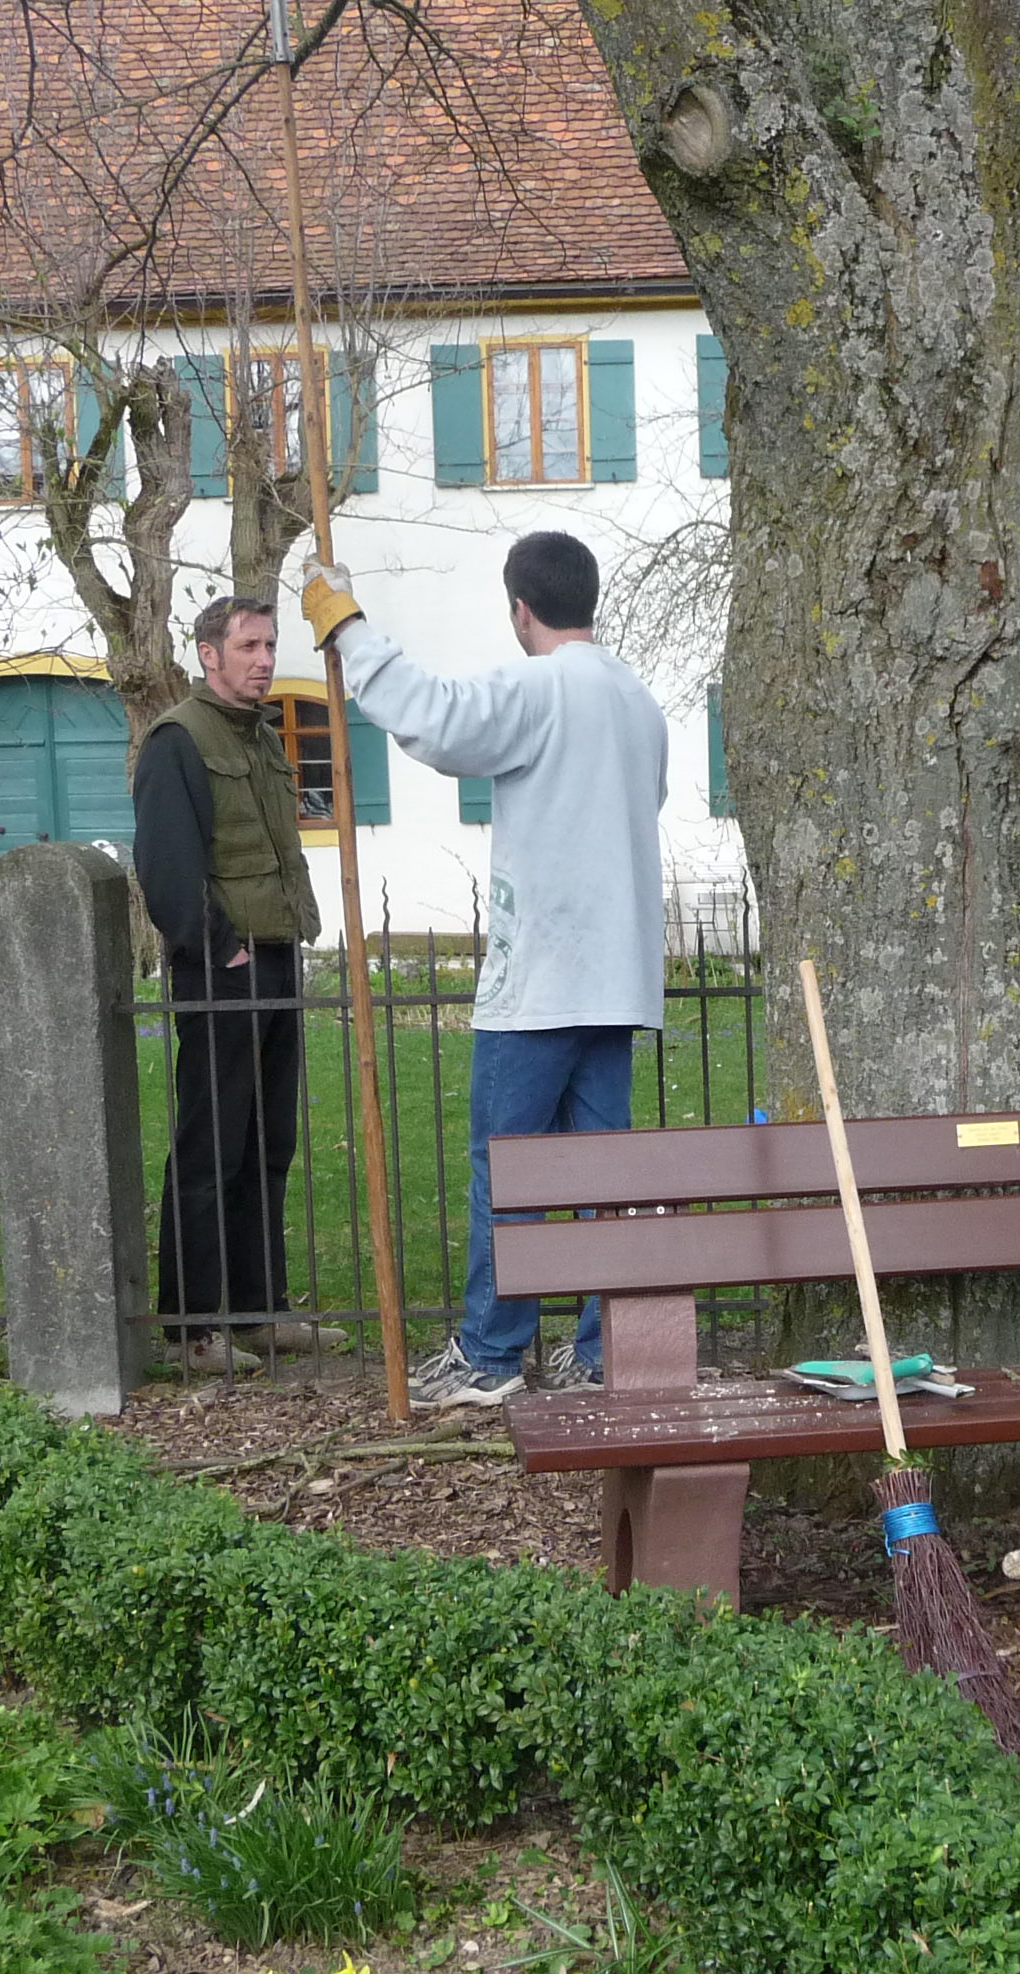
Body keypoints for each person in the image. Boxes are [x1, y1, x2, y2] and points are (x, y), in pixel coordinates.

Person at [297, 532, 667, 1409]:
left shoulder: (542, 687)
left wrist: (347, 626)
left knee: (508, 1172)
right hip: (615, 980)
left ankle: (492, 1355)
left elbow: (435, 719)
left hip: (539, 982)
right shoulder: (637, 702)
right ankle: (600, 1350)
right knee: (603, 1179)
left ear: (521, 609)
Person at [131, 594, 342, 1374]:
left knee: (267, 1143)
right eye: (249, 646)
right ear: (208, 653)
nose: (264, 659)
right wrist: (222, 952)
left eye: (270, 645)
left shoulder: (261, 736)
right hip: (224, 967)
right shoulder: (178, 740)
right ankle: (192, 1330)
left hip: (276, 955)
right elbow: (166, 868)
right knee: (209, 1146)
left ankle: (259, 1313)